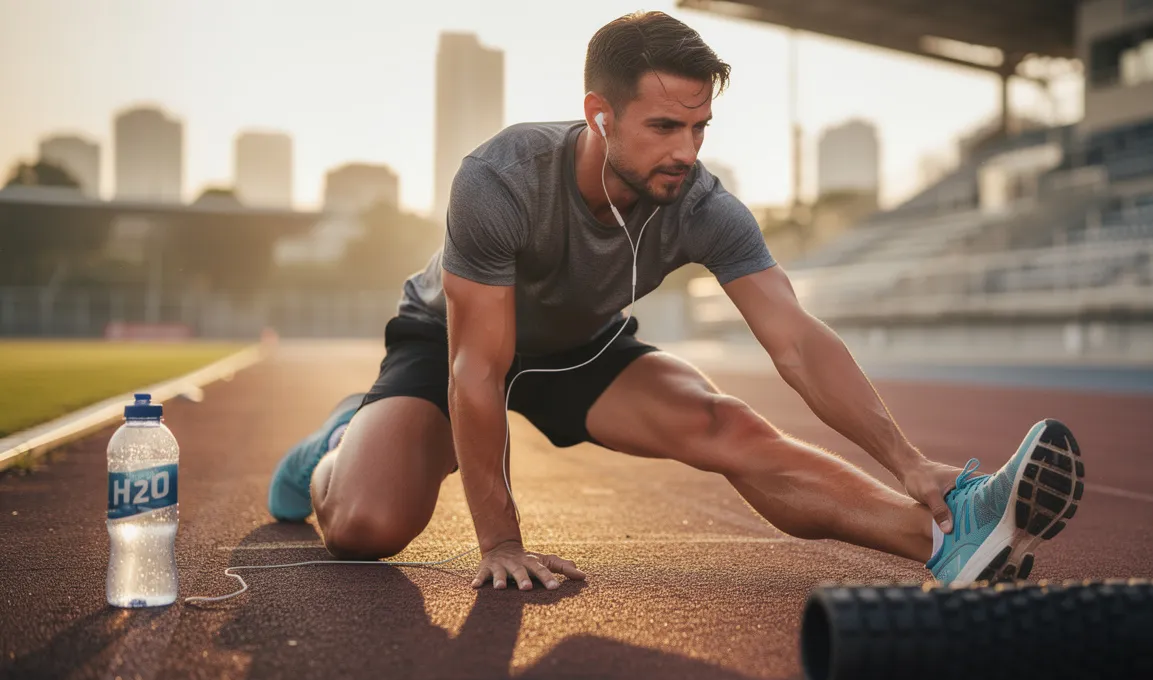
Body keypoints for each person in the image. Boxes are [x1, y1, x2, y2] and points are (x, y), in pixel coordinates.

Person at [267, 11, 1085, 592]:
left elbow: (795, 342)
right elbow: (479, 371)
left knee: (726, 426)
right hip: (450, 342)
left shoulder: (702, 203)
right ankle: (335, 442)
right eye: (664, 126)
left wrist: (910, 464)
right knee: (367, 529)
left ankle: (948, 535)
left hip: (581, 347)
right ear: (599, 114)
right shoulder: (499, 179)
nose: (686, 152)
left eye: (700, 127)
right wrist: (501, 540)